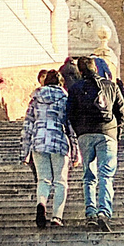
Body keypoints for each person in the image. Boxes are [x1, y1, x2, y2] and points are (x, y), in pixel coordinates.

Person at [66, 55, 124, 231]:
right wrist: (116, 133)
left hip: (85, 134)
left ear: (80, 70)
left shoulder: (76, 88)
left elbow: (69, 113)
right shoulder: (111, 86)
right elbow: (122, 111)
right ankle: (104, 212)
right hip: (107, 133)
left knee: (89, 176)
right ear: (96, 68)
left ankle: (90, 212)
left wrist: (79, 132)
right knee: (106, 175)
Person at [20, 69, 79, 227]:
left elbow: (28, 125)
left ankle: (41, 204)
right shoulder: (65, 99)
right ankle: (57, 217)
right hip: (59, 140)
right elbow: (71, 126)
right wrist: (75, 151)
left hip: (38, 141)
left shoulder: (35, 99)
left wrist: (25, 152)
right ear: (61, 83)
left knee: (43, 180)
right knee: (60, 181)